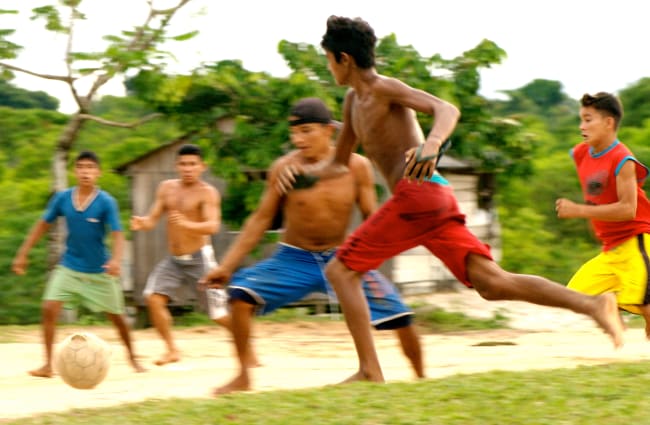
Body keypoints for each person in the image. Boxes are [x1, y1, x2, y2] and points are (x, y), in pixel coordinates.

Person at [275, 15, 624, 384]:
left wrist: (431, 144)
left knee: (340, 271)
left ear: (343, 58)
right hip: (428, 201)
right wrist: (299, 173)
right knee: (492, 283)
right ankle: (592, 304)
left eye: (328, 60)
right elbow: (339, 164)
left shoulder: (384, 88)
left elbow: (447, 110)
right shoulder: (351, 103)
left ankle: (369, 370)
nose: (329, 68)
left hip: (418, 193)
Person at [199, 97, 424, 395]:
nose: (298, 139)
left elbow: (372, 217)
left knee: (400, 316)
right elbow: (260, 219)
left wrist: (372, 258)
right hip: (294, 259)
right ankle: (243, 375)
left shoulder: (357, 167)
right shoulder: (284, 168)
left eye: (306, 131)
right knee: (240, 298)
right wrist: (226, 267)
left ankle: (422, 380)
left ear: (329, 130)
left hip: (343, 259)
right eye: (294, 133)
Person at [11, 151, 145, 377]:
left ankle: (133, 359)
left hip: (100, 270)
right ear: (75, 171)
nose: (85, 172)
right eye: (81, 167)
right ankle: (47, 365)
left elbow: (118, 233)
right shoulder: (63, 198)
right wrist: (23, 253)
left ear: (98, 173)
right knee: (48, 309)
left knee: (118, 317)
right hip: (70, 266)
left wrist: (115, 260)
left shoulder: (106, 202)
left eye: (91, 167)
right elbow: (42, 225)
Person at [130, 143, 234, 366]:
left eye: (193, 164)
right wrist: (143, 223)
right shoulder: (166, 188)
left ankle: (246, 346)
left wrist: (188, 224)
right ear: (176, 166)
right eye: (183, 164)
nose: (188, 168)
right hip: (174, 260)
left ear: (202, 166)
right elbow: (152, 218)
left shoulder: (207, 193)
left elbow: (213, 226)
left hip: (200, 259)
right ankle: (171, 350)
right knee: (153, 298)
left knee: (218, 314)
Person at [556, 92, 650, 337]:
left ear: (609, 123)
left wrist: (579, 211)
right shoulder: (581, 153)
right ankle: (616, 312)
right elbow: (596, 193)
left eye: (588, 119)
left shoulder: (623, 160)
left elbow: (628, 209)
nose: (581, 126)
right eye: (581, 119)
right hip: (610, 250)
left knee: (647, 304)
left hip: (636, 242)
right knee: (574, 295)